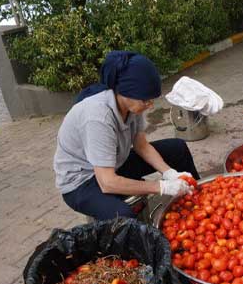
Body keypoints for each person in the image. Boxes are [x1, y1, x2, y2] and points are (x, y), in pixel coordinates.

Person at [54, 50, 200, 220]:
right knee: (124, 215)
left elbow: (141, 145)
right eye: (145, 100)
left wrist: (169, 173)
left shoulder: (132, 105)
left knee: (177, 148)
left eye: (151, 99)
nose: (150, 105)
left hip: (113, 163)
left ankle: (199, 198)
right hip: (82, 181)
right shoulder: (98, 118)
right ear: (123, 92)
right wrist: (161, 187)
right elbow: (107, 182)